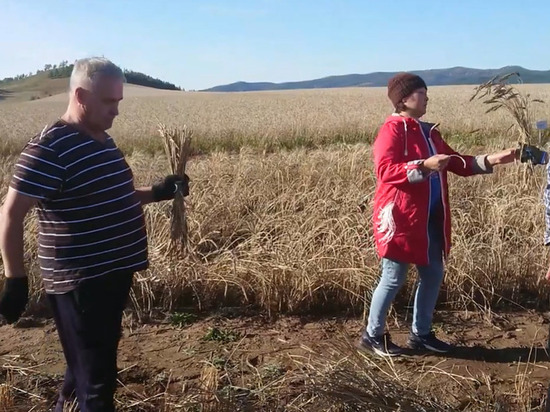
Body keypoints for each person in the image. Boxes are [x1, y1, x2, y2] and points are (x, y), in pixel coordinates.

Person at [0, 57, 189, 411]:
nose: (116, 110)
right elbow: (9, 214)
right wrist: (15, 278)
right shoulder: (49, 149)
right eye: (108, 101)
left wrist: (158, 192)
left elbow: (116, 195)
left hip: (110, 275)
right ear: (82, 95)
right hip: (81, 283)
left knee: (83, 372)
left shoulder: (101, 140)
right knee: (98, 383)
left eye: (119, 101)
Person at [360, 72, 518, 357]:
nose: (426, 97)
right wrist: (425, 164)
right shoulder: (393, 130)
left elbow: (457, 162)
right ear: (404, 99)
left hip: (431, 219)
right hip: (402, 219)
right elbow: (385, 171)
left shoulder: (430, 132)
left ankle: (421, 335)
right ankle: (373, 335)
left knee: (432, 274)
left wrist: (493, 159)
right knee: (394, 277)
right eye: (421, 92)